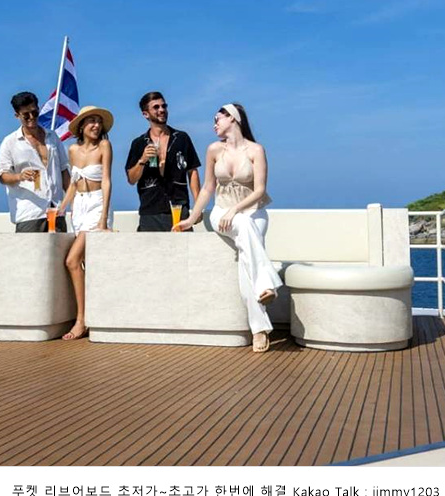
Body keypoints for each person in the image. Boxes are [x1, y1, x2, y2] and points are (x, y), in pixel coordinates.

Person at [174, 103, 281, 353]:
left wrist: (236, 210)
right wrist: (191, 218)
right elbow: (208, 188)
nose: (214, 124)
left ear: (232, 118)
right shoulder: (214, 150)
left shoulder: (256, 150)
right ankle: (266, 284)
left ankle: (259, 330)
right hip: (222, 212)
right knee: (241, 225)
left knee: (245, 258)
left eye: (218, 119)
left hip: (253, 212)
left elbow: (260, 191)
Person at [56, 106, 114, 341]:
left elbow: (107, 181)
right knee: (86, 264)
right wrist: (61, 209)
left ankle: (81, 320)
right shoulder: (72, 150)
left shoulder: (104, 146)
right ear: (81, 126)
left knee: (72, 260)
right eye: (91, 121)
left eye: (99, 121)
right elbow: (73, 184)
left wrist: (103, 219)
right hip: (78, 207)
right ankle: (91, 316)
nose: (96, 125)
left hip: (97, 204)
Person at [0, 91, 71, 232]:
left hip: (56, 210)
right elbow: (2, 176)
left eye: (34, 113)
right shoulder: (9, 142)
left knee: (59, 247)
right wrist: (20, 176)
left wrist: (74, 200)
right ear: (17, 116)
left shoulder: (53, 137)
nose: (31, 117)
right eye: (26, 115)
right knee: (28, 248)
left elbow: (63, 171)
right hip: (30, 213)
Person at [125, 91, 201, 232]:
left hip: (179, 209)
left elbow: (192, 171)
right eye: (156, 107)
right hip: (150, 212)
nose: (162, 110)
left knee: (183, 246)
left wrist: (198, 205)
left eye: (164, 106)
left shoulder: (181, 138)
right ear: (145, 114)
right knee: (149, 247)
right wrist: (142, 160)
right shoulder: (138, 143)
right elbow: (131, 179)